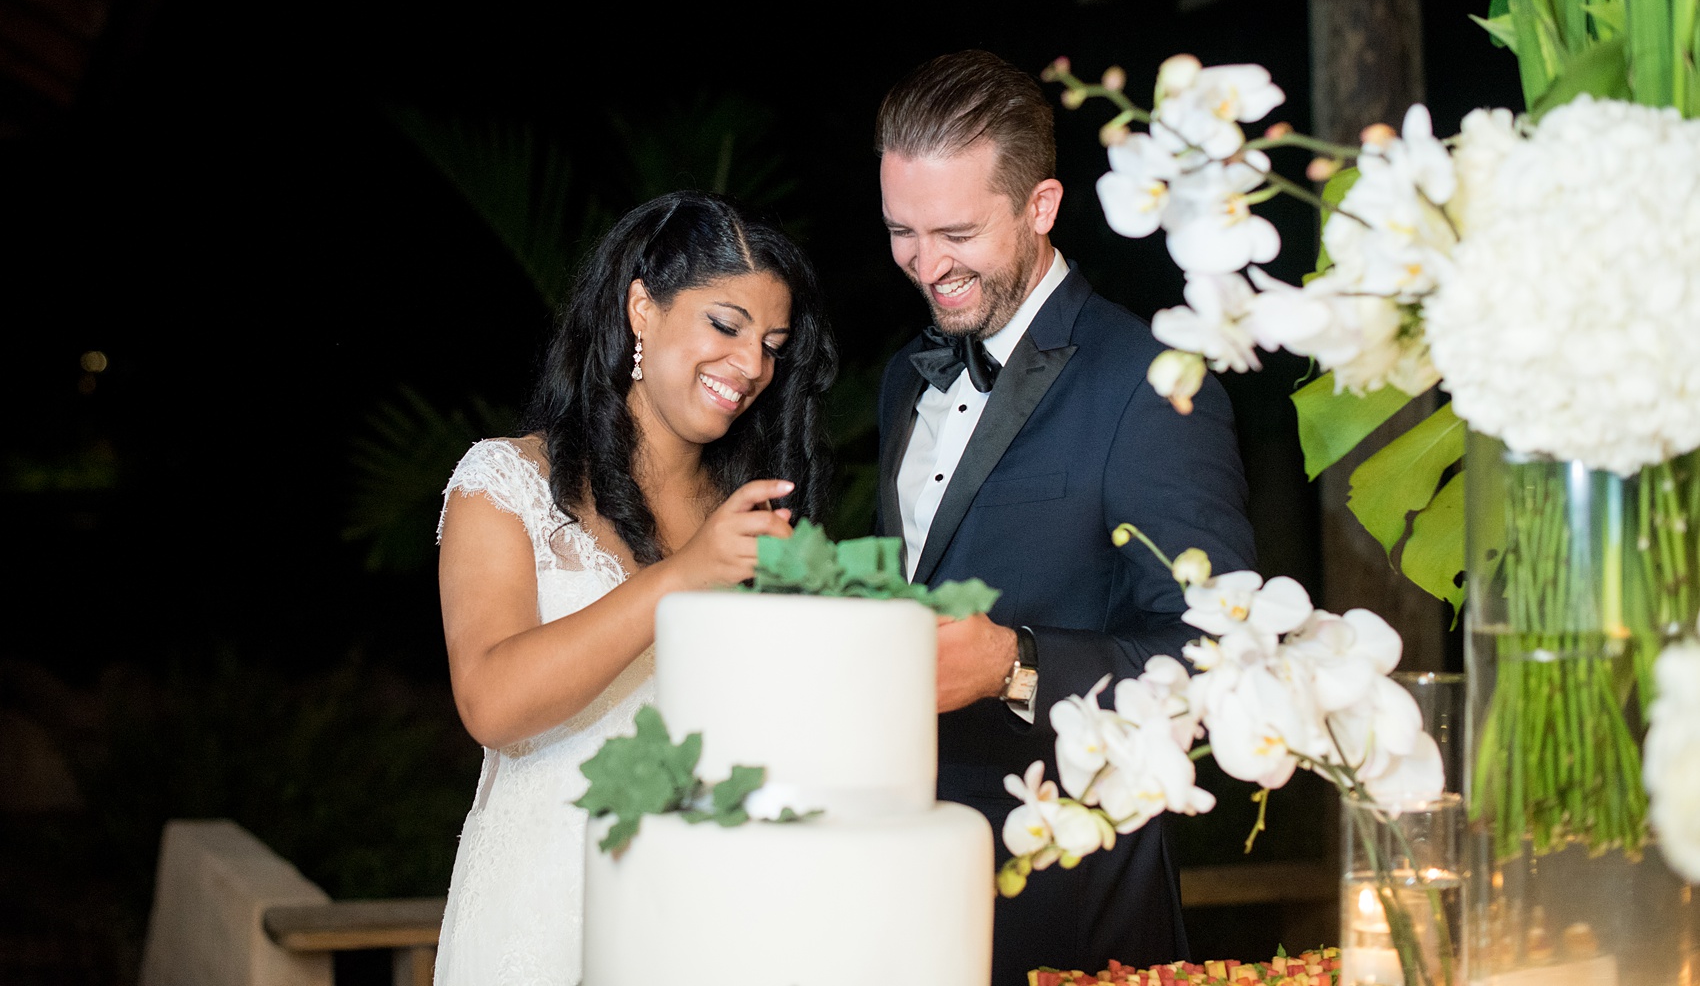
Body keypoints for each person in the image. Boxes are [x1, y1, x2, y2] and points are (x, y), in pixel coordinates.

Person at [873, 51, 1256, 982]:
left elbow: (1222, 664)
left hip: (1074, 906)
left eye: (956, 232)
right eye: (901, 232)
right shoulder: (901, 378)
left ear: (1040, 207)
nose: (927, 266)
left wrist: (1017, 662)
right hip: (907, 885)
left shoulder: (1151, 380)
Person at [432, 191, 836, 986]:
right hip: (542, 920)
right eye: (725, 325)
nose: (752, 365)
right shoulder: (506, 483)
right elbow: (491, 702)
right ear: (642, 307)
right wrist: (681, 578)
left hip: (709, 925)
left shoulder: (756, 516)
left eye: (773, 345)